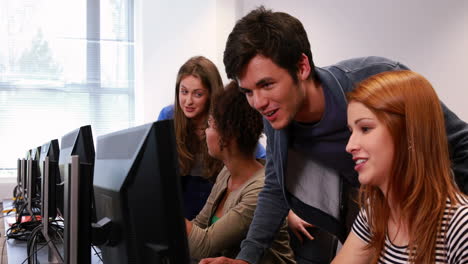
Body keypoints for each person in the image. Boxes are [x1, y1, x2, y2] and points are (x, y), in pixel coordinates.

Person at [200, 6, 468, 264]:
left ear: (302, 67)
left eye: (267, 84)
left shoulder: (374, 80)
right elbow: (275, 186)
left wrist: (440, 219)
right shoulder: (277, 114)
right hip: (376, 220)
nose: (258, 102)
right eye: (247, 91)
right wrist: (247, 258)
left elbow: (460, 144)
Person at [332, 70, 468, 263]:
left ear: (409, 134)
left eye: (365, 129)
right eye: (351, 131)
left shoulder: (460, 226)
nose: (350, 146)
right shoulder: (375, 212)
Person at [185, 81, 295, 264]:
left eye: (210, 124)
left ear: (227, 136)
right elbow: (199, 225)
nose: (206, 131)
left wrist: (161, 208)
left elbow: (203, 246)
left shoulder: (260, 189)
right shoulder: (226, 173)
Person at [158, 56, 266, 220]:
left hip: (216, 191)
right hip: (182, 191)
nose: (188, 101)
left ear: (211, 95)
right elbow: (158, 166)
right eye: (184, 91)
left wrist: (284, 209)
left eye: (198, 94)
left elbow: (261, 160)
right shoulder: (168, 116)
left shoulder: (224, 120)